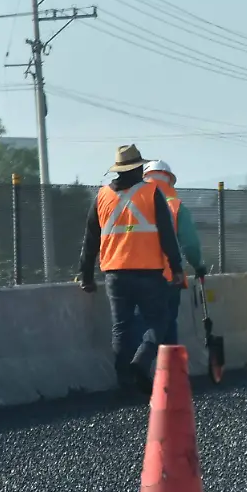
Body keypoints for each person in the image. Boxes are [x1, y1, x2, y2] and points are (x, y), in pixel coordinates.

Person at [76, 144, 185, 396]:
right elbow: (167, 234)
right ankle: (142, 361)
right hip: (148, 271)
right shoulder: (151, 193)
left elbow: (90, 240)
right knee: (159, 319)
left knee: (122, 327)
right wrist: (177, 267)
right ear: (137, 168)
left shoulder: (101, 197)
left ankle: (124, 383)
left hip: (114, 273)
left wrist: (86, 276)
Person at [127, 159, 209, 348]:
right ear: (170, 180)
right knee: (167, 326)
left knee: (140, 326)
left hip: (133, 274)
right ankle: (170, 374)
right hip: (169, 277)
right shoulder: (176, 206)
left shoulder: (131, 205)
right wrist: (198, 265)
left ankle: (138, 371)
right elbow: (190, 245)